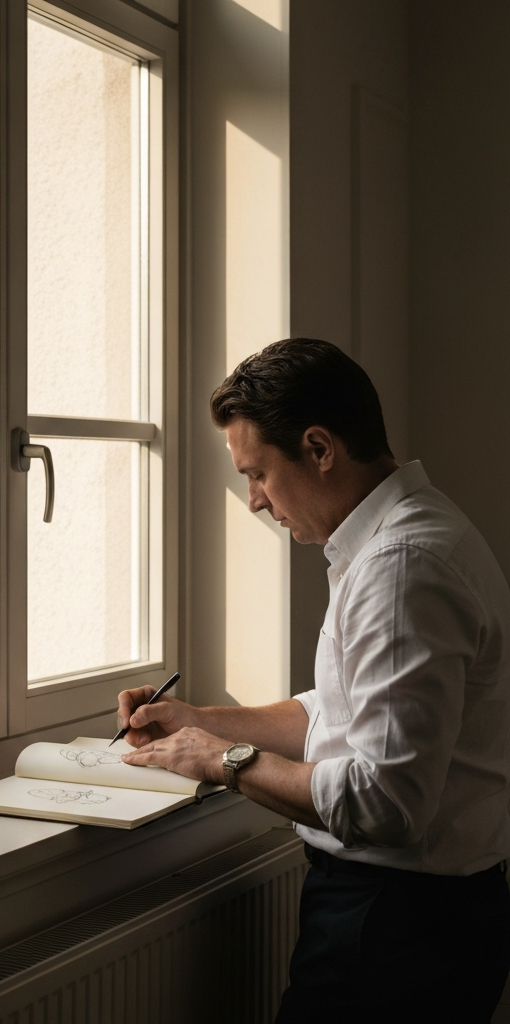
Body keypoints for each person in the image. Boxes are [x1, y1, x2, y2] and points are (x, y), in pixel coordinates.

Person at [117, 338, 510, 1023]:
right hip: (417, 921)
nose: (253, 501)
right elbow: (337, 716)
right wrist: (196, 722)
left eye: (259, 474)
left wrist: (222, 761)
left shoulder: (401, 567)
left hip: (395, 929)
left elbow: (386, 803)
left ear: (320, 449)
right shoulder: (405, 541)